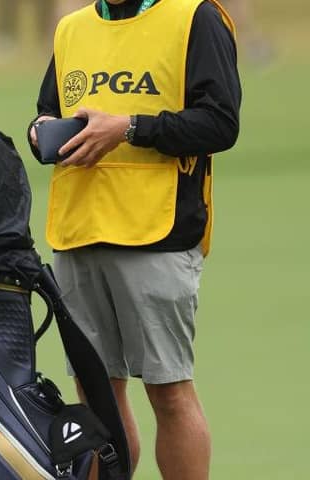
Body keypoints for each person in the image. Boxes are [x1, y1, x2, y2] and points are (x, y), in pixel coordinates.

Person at [28, 0, 240, 479]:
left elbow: (220, 122)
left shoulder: (196, 17)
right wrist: (39, 130)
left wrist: (129, 128)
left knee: (168, 391)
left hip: (157, 233)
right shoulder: (72, 28)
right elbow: (48, 109)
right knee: (97, 391)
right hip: (79, 228)